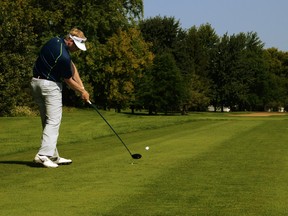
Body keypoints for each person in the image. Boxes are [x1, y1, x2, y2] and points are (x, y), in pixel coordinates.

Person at [31, 28, 90, 168]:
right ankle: (43, 155)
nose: (77, 50)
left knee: (47, 121)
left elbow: (72, 66)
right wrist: (82, 91)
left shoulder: (55, 41)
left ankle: (53, 156)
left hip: (35, 83)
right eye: (76, 46)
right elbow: (68, 79)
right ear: (70, 40)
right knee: (54, 121)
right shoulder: (63, 56)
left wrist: (83, 89)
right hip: (50, 86)